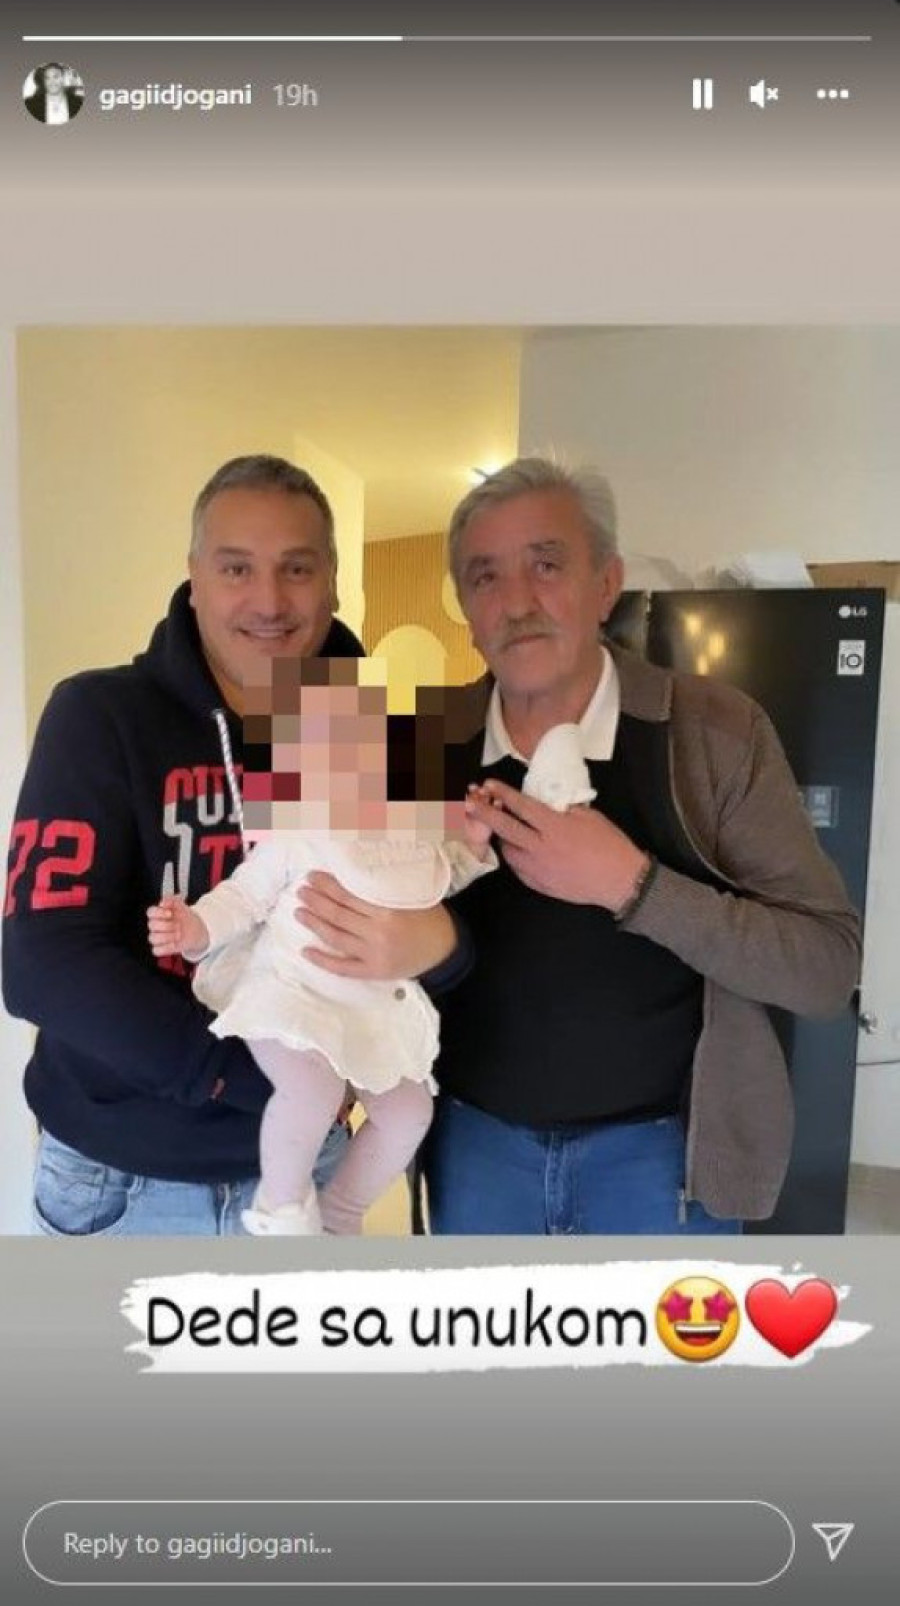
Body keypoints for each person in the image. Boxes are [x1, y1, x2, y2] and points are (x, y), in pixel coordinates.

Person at [397, 455, 861, 1235]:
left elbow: (826, 967)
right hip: (475, 1155)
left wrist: (633, 886)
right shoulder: (424, 744)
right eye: (485, 577)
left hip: (662, 1167)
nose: (518, 602)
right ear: (467, 610)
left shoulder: (715, 734)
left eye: (547, 564)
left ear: (606, 584)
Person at [3, 454, 391, 1236]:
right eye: (236, 568)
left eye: (297, 568)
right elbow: (39, 961)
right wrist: (238, 1077)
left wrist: (434, 950)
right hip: (121, 1180)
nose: (269, 601)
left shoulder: (375, 728)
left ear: (334, 582)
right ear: (194, 578)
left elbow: (439, 924)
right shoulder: (98, 714)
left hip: (307, 1171)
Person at [147, 657, 496, 1235]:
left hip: (369, 1011)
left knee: (410, 1112)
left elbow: (437, 880)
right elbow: (244, 896)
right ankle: (279, 1209)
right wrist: (196, 928)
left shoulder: (405, 834)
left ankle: (343, 1209)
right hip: (292, 1000)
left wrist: (473, 844)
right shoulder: (299, 834)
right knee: (312, 1091)